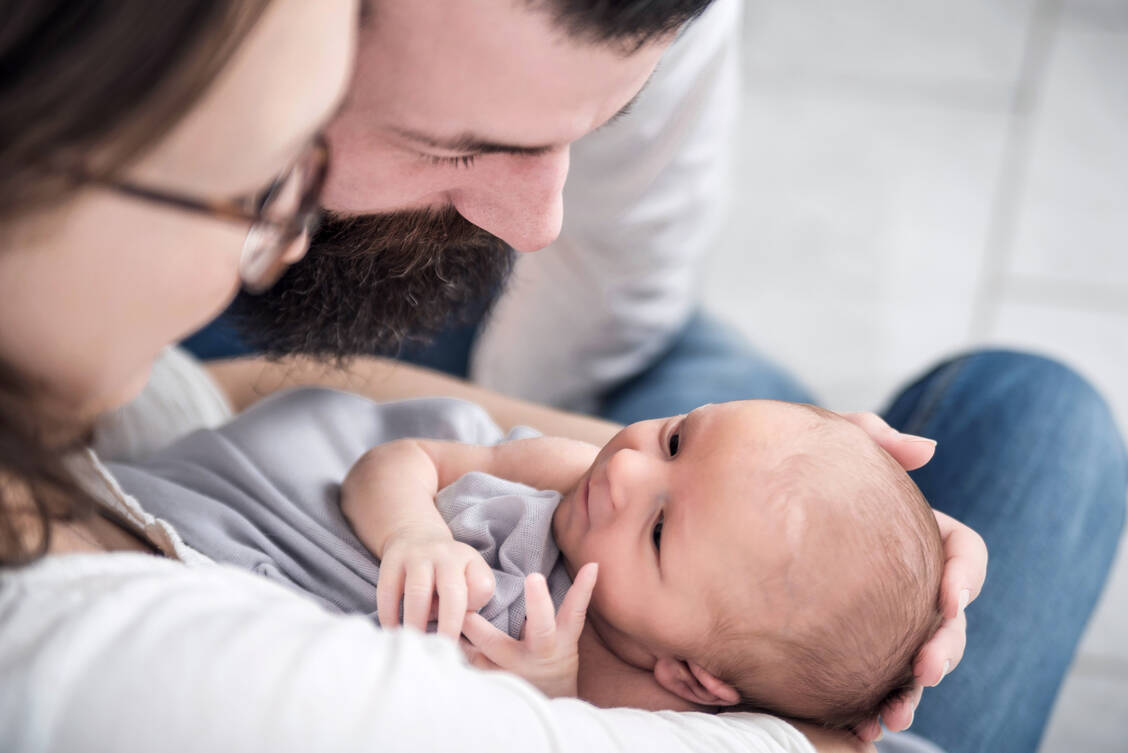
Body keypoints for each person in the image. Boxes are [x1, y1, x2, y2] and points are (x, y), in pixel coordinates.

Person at [0, 2, 972, 752]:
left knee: (1011, 407)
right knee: (1026, 408)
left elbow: (257, 390)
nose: (541, 224)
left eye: (593, 129)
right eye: (267, 190)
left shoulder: (95, 387)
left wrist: (778, 493)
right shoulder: (121, 664)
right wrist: (821, 681)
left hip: (406, 372)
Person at [113, 386, 945, 731]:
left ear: (692, 678)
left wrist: (542, 688)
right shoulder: (567, 472)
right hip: (286, 505)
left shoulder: (649, 713)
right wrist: (414, 532)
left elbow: (522, 733)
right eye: (677, 435)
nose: (621, 468)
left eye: (658, 530)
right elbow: (398, 459)